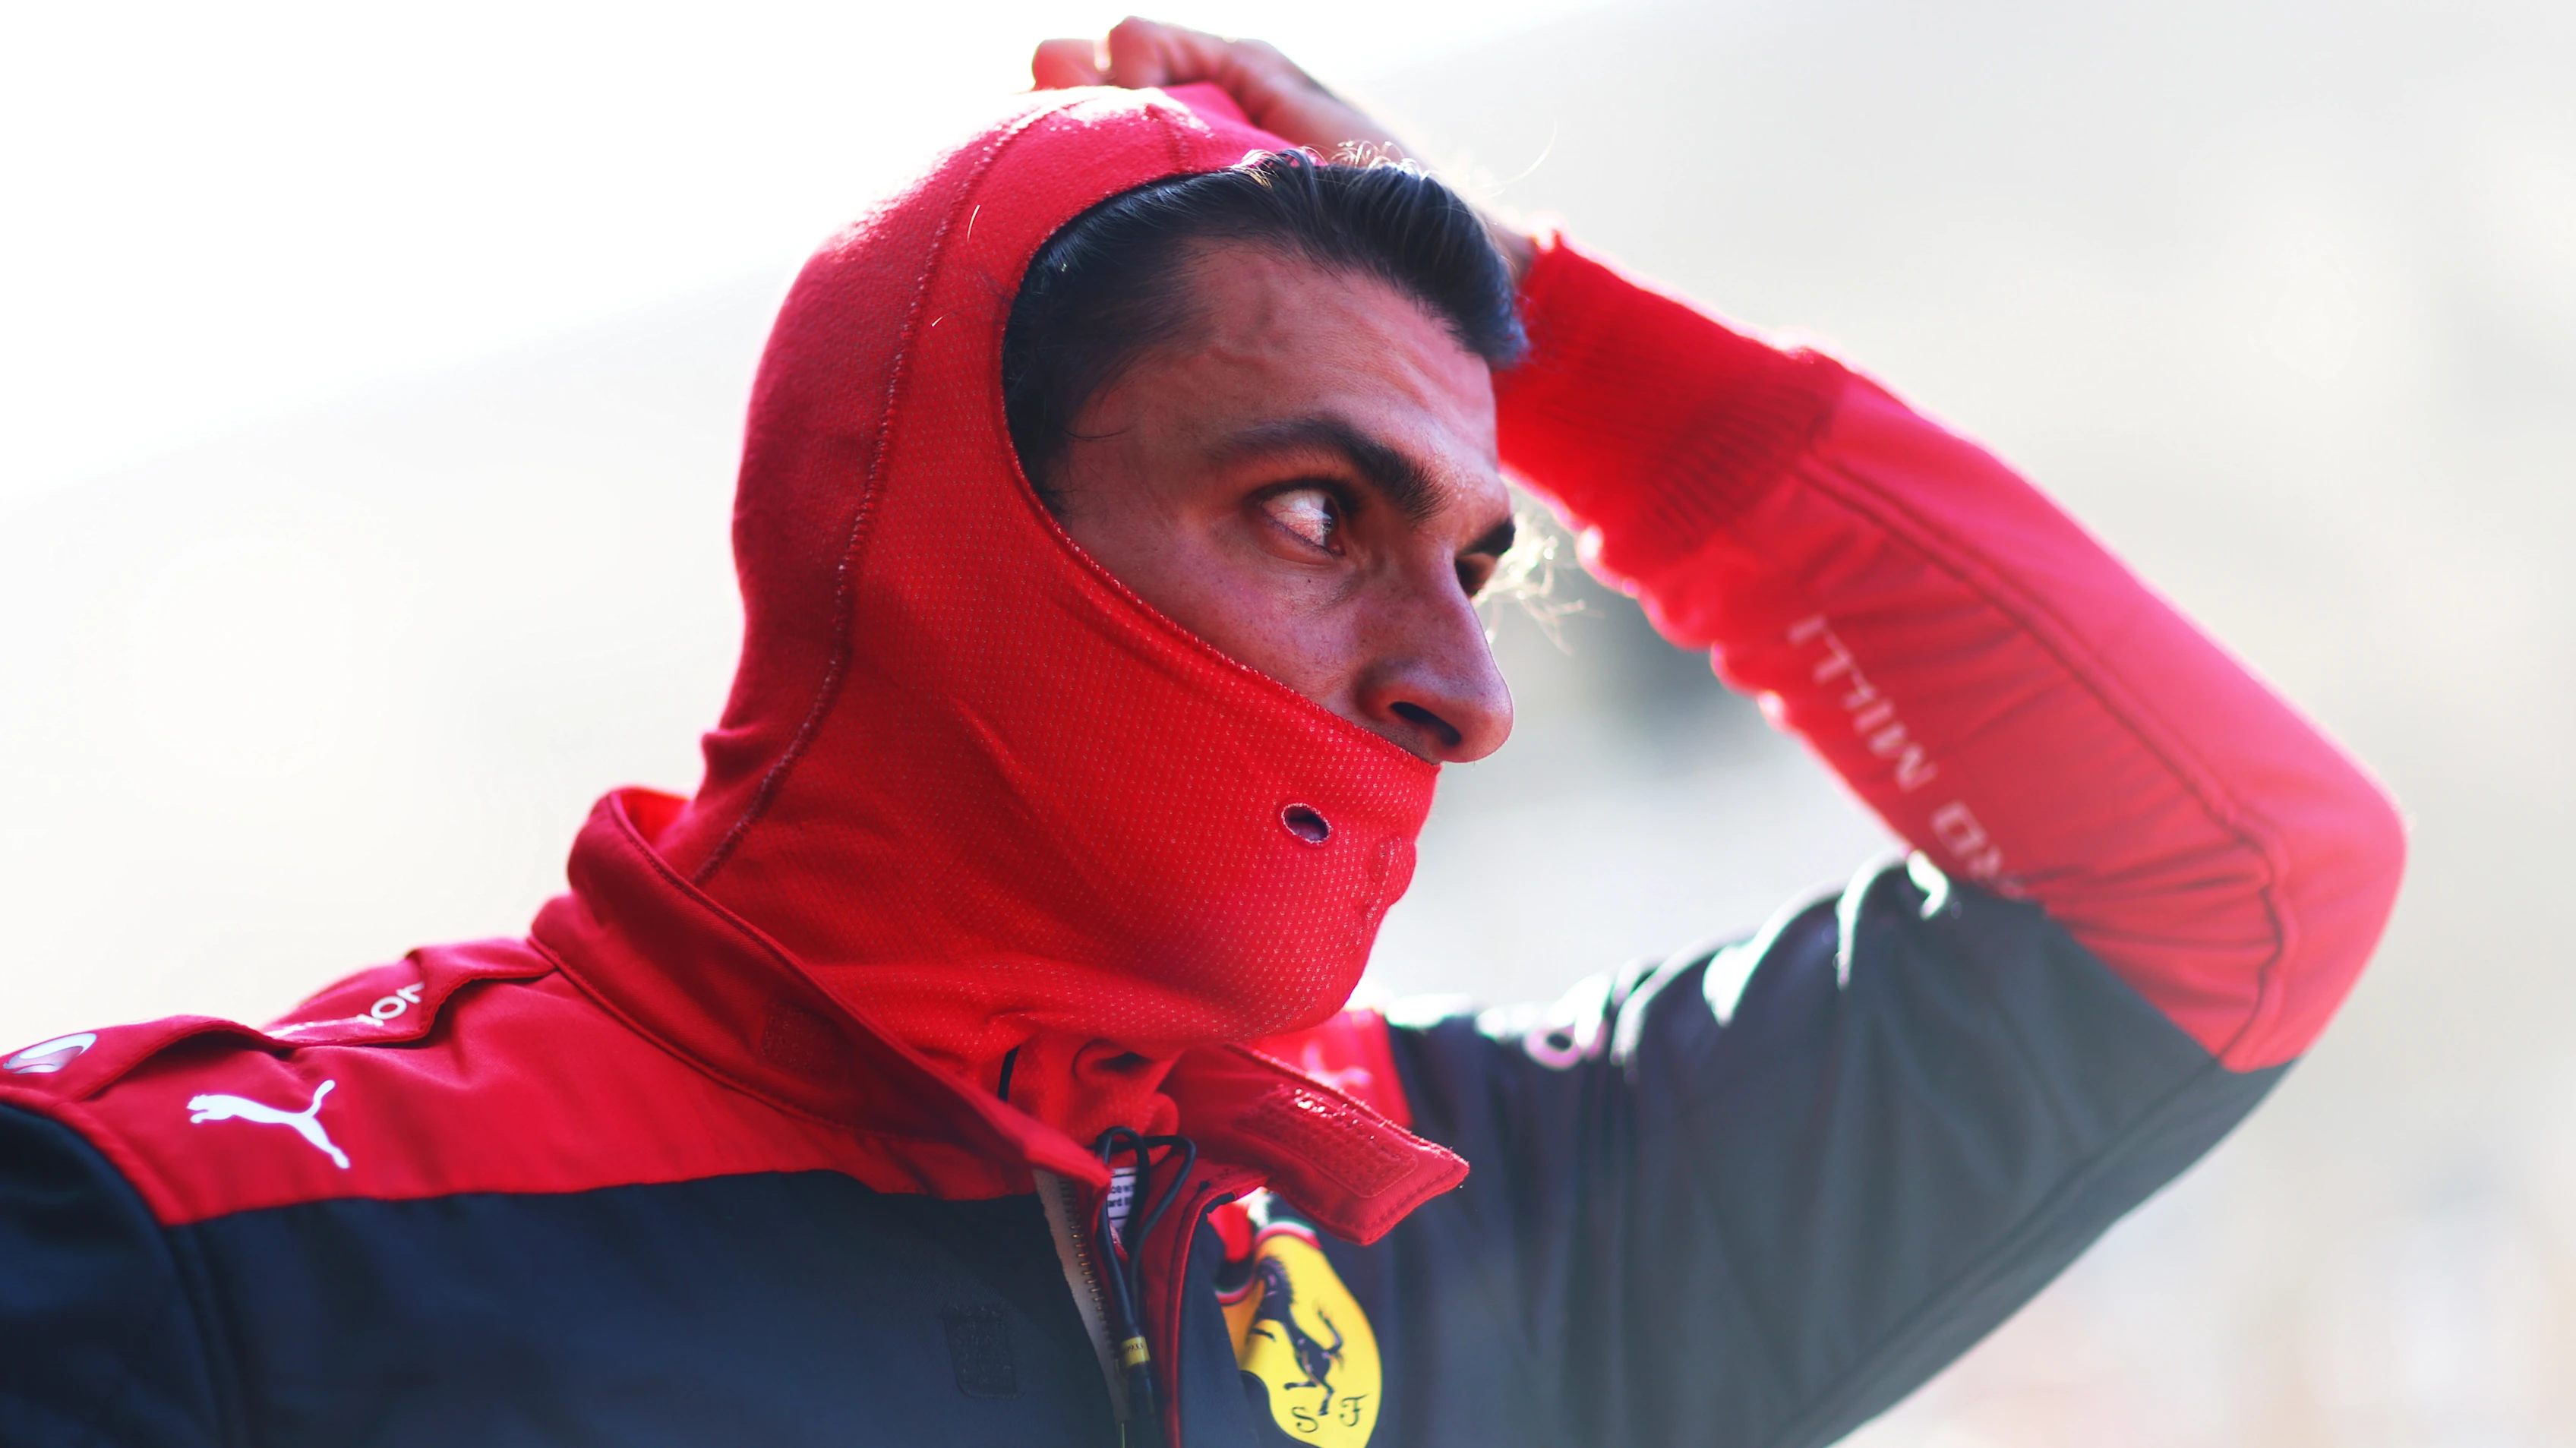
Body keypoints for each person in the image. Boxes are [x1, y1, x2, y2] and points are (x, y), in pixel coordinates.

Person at [0, 20, 2403, 1448]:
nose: (1457, 689)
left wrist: (1568, 350)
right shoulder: (198, 1241)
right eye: (1317, 508)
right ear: (933, 525)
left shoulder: (1465, 1224)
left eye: (1476, 557)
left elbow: (2237, 877)